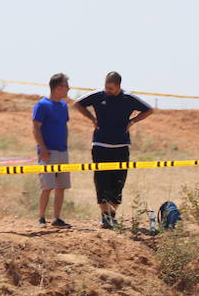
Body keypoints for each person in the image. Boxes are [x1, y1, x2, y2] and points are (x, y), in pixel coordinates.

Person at [75, 72, 153, 229]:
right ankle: (104, 216)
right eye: (106, 87)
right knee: (101, 181)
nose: (108, 90)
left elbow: (149, 110)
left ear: (118, 86)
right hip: (100, 146)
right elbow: (77, 104)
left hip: (121, 147)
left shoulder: (128, 98)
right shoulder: (98, 96)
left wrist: (132, 121)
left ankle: (112, 216)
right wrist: (92, 119)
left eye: (111, 88)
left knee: (118, 182)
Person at [33, 72, 73, 227]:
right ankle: (41, 217)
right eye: (66, 86)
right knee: (47, 186)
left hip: (62, 151)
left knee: (61, 186)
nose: (68, 89)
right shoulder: (42, 105)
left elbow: (64, 126)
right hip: (48, 151)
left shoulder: (63, 106)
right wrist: (43, 149)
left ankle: (57, 218)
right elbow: (36, 128)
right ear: (58, 88)